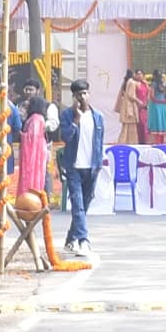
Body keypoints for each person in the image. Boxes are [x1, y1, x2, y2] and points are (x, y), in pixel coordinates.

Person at [55, 86, 108, 251]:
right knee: (77, 204)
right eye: (79, 94)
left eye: (85, 93)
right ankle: (84, 240)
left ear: (89, 95)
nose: (83, 97)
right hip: (74, 167)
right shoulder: (67, 115)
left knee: (84, 206)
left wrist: (98, 164)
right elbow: (65, 137)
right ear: (74, 97)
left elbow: (99, 142)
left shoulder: (97, 117)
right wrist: (76, 120)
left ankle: (71, 238)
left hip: (91, 168)